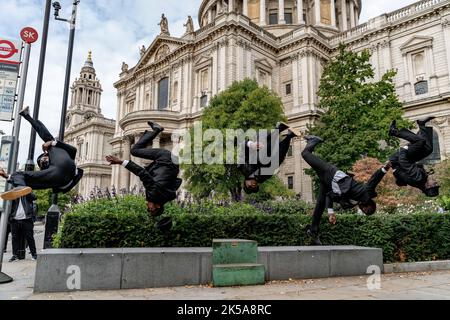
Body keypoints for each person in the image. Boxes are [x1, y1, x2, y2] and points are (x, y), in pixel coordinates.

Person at [301, 135, 389, 245]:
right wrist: (385, 168)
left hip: (328, 184)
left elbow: (330, 196)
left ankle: (313, 231)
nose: (362, 209)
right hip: (332, 173)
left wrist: (330, 213)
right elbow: (374, 180)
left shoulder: (349, 204)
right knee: (305, 154)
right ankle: (313, 141)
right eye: (366, 209)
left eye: (364, 212)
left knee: (320, 204)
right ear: (368, 203)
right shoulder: (366, 193)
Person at [106, 121, 182, 229]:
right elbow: (142, 173)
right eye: (150, 208)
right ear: (158, 205)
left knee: (137, 152)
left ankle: (156, 130)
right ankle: (156, 130)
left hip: (172, 164)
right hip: (164, 159)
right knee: (134, 150)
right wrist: (121, 162)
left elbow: (175, 182)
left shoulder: (166, 197)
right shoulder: (153, 194)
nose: (147, 206)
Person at [0, 107, 84, 201]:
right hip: (61, 179)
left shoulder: (57, 152)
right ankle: (24, 190)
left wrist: (52, 143)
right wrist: (7, 176)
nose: (43, 161)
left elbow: (73, 150)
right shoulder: (50, 172)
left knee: (49, 139)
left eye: (42, 159)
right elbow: (36, 181)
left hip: (68, 170)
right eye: (42, 164)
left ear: (46, 154)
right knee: (25, 177)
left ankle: (26, 115)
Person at [238, 122, 302, 194]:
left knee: (261, 158)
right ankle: (290, 135)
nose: (253, 185)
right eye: (255, 187)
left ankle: (279, 128)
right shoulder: (261, 178)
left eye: (249, 186)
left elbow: (243, 146)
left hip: (260, 141)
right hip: (272, 152)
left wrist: (251, 144)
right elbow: (272, 169)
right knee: (276, 162)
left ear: (245, 183)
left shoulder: (242, 168)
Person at [388, 117, 440, 197]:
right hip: (404, 160)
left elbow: (404, 163)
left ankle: (394, 131)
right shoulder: (421, 180)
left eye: (435, 184)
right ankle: (422, 124)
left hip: (399, 159)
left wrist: (403, 150)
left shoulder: (418, 178)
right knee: (428, 149)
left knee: (420, 141)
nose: (436, 182)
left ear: (428, 186)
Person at [8, 193, 37, 262]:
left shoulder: (27, 192)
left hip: (27, 219)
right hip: (14, 219)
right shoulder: (13, 194)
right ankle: (15, 255)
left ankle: (34, 254)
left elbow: (34, 197)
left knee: (30, 237)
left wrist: (26, 192)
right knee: (14, 238)